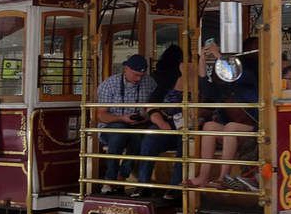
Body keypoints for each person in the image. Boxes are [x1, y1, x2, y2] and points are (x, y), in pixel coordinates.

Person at [187, 40, 258, 190]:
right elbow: (205, 87)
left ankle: (222, 178)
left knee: (230, 127)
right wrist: (202, 59)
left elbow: (234, 74)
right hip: (233, 131)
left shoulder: (247, 77)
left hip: (255, 127)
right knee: (209, 126)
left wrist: (218, 55)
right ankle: (203, 177)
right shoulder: (223, 88)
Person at [94, 54, 157, 196]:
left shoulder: (150, 83)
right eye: (136, 75)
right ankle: (111, 179)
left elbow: (155, 107)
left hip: (138, 126)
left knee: (141, 138)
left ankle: (120, 176)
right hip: (111, 127)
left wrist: (145, 117)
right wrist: (122, 118)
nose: (138, 79)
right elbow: (101, 115)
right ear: (126, 69)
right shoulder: (109, 84)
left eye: (141, 75)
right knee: (119, 133)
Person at [138, 45, 185, 193]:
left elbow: (209, 109)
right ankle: (143, 185)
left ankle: (175, 187)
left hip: (190, 126)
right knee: (151, 136)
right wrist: (162, 123)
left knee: (186, 142)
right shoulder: (167, 81)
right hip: (168, 123)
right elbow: (151, 106)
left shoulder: (201, 83)